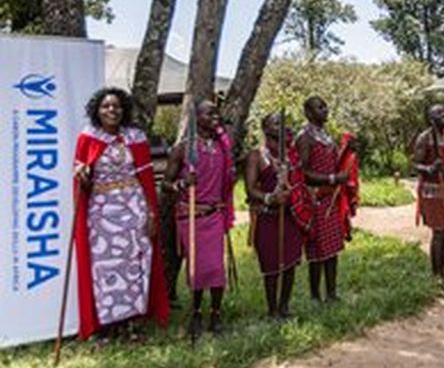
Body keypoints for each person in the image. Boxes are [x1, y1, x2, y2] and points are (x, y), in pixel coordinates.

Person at [73, 87, 170, 341]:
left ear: (124, 109)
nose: (111, 110)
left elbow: (146, 179)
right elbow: (82, 180)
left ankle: (133, 324)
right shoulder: (88, 137)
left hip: (133, 208)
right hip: (101, 213)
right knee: (104, 269)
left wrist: (151, 214)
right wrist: (81, 173)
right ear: (97, 110)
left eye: (116, 106)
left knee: (136, 264)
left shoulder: (135, 137)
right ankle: (107, 325)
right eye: (106, 106)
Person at [164, 99, 235, 337]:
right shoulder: (183, 148)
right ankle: (195, 313)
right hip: (191, 215)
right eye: (209, 113)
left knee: (216, 268)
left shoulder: (222, 147)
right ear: (197, 118)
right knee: (196, 269)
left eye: (216, 113)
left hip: (214, 214)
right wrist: (183, 183)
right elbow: (166, 184)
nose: (215, 117)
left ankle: (215, 315)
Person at [245, 113, 312, 320]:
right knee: (272, 266)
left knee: (290, 263)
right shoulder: (257, 156)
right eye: (276, 124)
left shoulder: (290, 156)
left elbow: (300, 182)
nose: (282, 127)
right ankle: (272, 310)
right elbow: (249, 190)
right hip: (268, 217)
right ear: (265, 128)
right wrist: (269, 198)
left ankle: (285, 308)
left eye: (283, 124)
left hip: (289, 215)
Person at [296, 96, 349, 302]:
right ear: (308, 113)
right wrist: (332, 178)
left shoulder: (326, 135)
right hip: (314, 199)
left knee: (332, 248)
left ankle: (332, 293)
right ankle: (315, 295)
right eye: (320, 107)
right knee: (317, 251)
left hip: (330, 199)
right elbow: (303, 172)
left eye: (325, 106)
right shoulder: (305, 138)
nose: (325, 110)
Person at [414, 104, 444, 279]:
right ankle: (436, 273)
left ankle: (443, 269)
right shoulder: (424, 138)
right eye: (439, 113)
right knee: (439, 231)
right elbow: (416, 164)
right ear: (431, 119)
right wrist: (430, 168)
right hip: (431, 190)